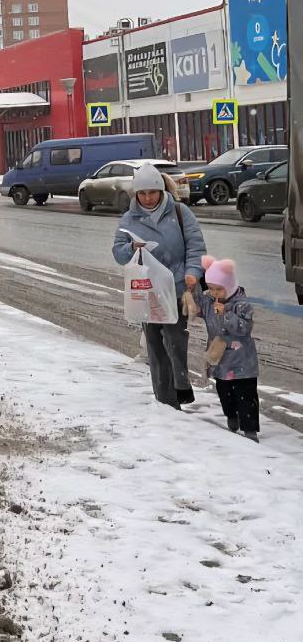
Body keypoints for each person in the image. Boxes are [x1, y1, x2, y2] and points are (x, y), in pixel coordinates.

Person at [112, 163, 206, 409]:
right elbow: (118, 254)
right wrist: (131, 248)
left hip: (176, 289)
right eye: (141, 193)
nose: (147, 198)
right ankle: (165, 399)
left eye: (151, 192)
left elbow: (196, 247)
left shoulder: (179, 212)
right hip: (147, 292)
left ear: (160, 190)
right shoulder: (129, 218)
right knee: (154, 344)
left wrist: (192, 274)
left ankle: (181, 388)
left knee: (175, 341)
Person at [185, 255, 260, 441]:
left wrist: (226, 313)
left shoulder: (242, 305)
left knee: (246, 396)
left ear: (230, 286)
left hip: (243, 362)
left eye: (219, 289)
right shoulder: (209, 302)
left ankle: (250, 429)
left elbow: (244, 329)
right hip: (220, 360)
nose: (215, 293)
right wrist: (193, 286)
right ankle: (231, 416)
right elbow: (196, 305)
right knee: (225, 393)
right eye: (211, 288)